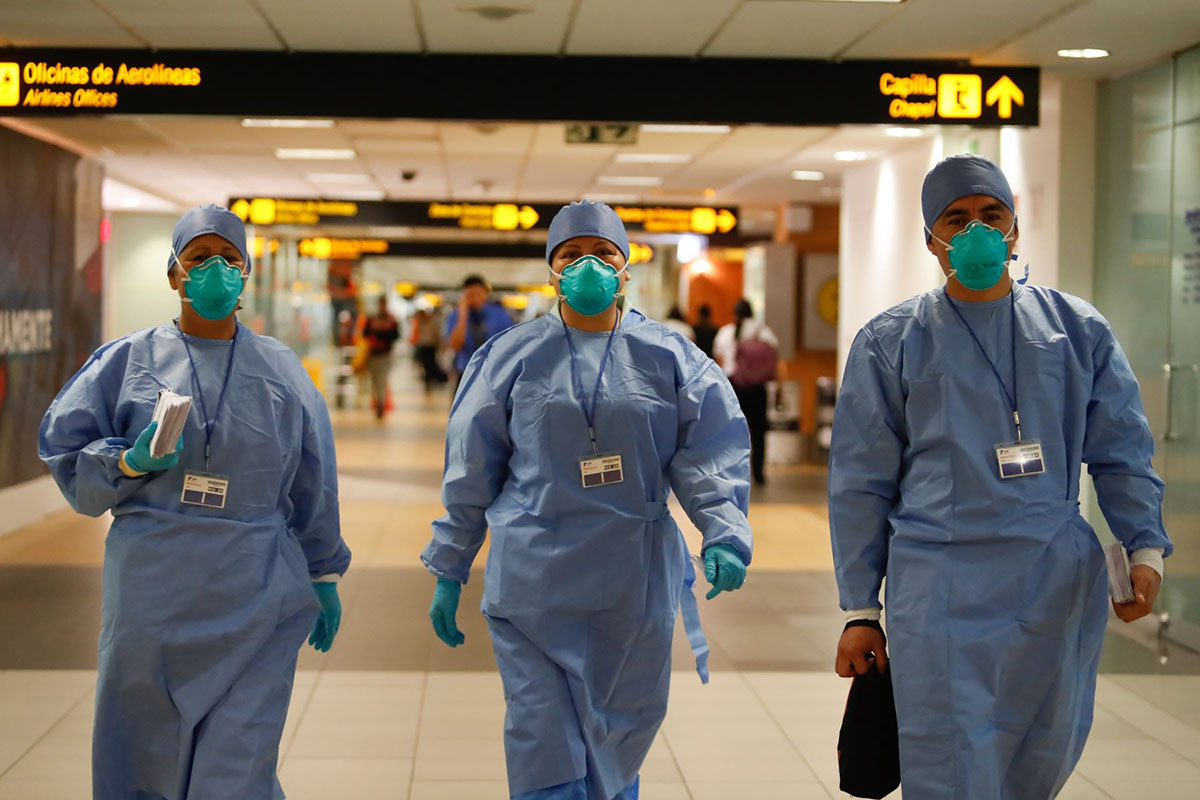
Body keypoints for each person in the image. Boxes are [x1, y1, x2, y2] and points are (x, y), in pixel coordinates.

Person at [829, 154, 1172, 799]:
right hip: (938, 581)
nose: (977, 231)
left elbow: (1122, 446)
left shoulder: (1076, 330)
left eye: (992, 215)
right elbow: (860, 481)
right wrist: (859, 609)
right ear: (932, 240)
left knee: (1043, 746)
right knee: (949, 759)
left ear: (1015, 228)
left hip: (1053, 575)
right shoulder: (892, 341)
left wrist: (1143, 545)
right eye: (956, 220)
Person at [421, 200, 753, 800]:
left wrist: (723, 530)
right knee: (541, 736)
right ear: (552, 271)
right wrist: (450, 565)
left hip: (633, 578)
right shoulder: (509, 357)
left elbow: (709, 449)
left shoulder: (671, 357)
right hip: (533, 581)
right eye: (571, 255)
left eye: (603, 253)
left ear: (626, 267)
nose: (588, 267)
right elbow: (471, 467)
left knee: (617, 739)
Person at [38, 204, 351, 800]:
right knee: (141, 754)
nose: (216, 272)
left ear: (247, 273)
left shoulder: (282, 370)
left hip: (258, 587)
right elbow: (65, 453)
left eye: (230, 260)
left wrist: (324, 568)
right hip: (154, 592)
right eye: (201, 259)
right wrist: (128, 461)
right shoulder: (128, 362)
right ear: (174, 273)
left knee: (238, 767)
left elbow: (315, 479)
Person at [714, 299, 778, 486]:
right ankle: (758, 472)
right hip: (758, 388)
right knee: (758, 432)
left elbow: (718, 361)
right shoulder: (764, 332)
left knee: (732, 430)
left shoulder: (726, 333)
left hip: (733, 387)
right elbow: (774, 359)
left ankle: (732, 470)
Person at [445, 274, 514, 396]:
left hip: (494, 373)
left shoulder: (500, 314)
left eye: (477, 293)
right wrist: (463, 316)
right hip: (466, 373)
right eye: (470, 295)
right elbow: (455, 345)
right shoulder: (456, 316)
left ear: (486, 293)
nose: (474, 298)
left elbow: (511, 344)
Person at [364, 294, 400, 418]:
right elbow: (365, 334)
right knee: (374, 381)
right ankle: (377, 401)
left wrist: (382, 330)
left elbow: (395, 336)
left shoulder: (392, 319)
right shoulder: (371, 319)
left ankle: (381, 404)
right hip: (372, 355)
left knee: (382, 380)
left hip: (385, 355)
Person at [410, 305, 444, 393]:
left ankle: (431, 380)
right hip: (422, 346)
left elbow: (437, 334)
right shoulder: (419, 323)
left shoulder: (433, 322)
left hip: (431, 346)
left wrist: (439, 345)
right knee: (425, 365)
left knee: (431, 364)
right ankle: (428, 382)